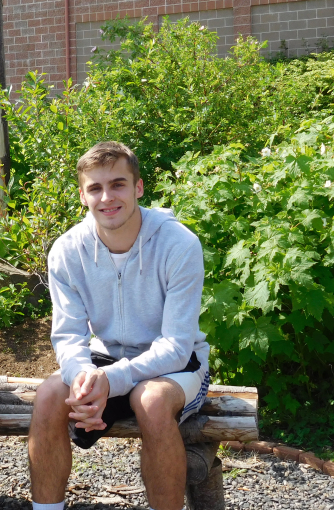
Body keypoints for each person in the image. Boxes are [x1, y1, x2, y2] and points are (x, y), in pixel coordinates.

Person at [27, 141, 210, 510]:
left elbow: (176, 346)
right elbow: (68, 335)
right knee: (49, 397)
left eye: (118, 184)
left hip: (178, 366)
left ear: (138, 188)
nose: (107, 197)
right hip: (105, 357)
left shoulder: (179, 244)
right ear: (83, 195)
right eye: (95, 188)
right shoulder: (67, 251)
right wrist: (83, 381)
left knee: (151, 399)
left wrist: (111, 382)